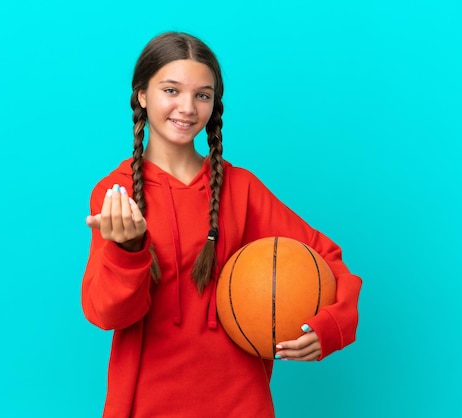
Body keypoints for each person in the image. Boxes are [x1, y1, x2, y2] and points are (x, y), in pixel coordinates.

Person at [81, 32, 362, 418]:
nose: (188, 107)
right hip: (145, 404)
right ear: (142, 95)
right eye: (171, 90)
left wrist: (330, 326)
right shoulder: (117, 195)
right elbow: (106, 315)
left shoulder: (240, 188)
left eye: (203, 95)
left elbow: (327, 258)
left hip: (242, 403)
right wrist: (128, 251)